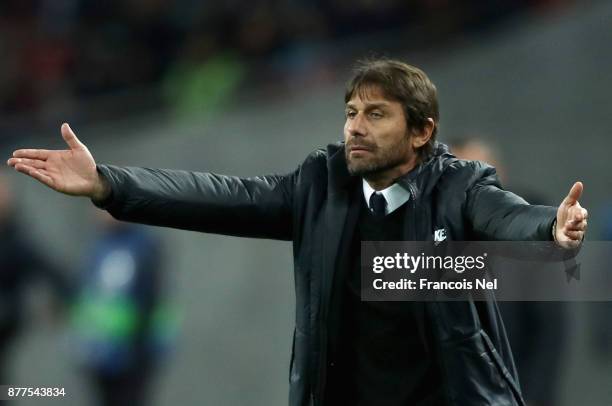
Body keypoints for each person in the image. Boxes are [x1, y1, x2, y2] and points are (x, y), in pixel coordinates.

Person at [6, 59, 588, 406]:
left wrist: (550, 228)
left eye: (376, 114)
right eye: (351, 111)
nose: (355, 127)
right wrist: (108, 182)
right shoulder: (320, 184)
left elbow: (503, 214)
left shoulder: (458, 186)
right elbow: (219, 198)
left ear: (421, 132)